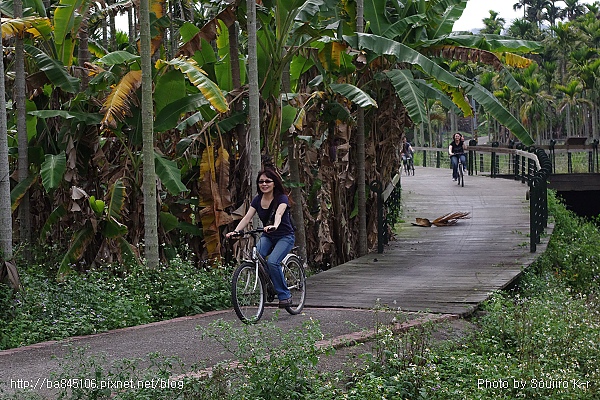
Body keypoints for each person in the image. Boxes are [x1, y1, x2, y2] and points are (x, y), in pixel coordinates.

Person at [226, 169, 295, 308]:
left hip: (285, 236)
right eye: (261, 182)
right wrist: (236, 231)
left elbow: (279, 213)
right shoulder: (257, 199)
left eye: (267, 181)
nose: (264, 184)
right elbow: (247, 217)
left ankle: (285, 296)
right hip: (268, 236)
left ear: (274, 183)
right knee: (256, 257)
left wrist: (275, 225)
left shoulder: (282, 198)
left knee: (273, 262)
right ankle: (270, 284)